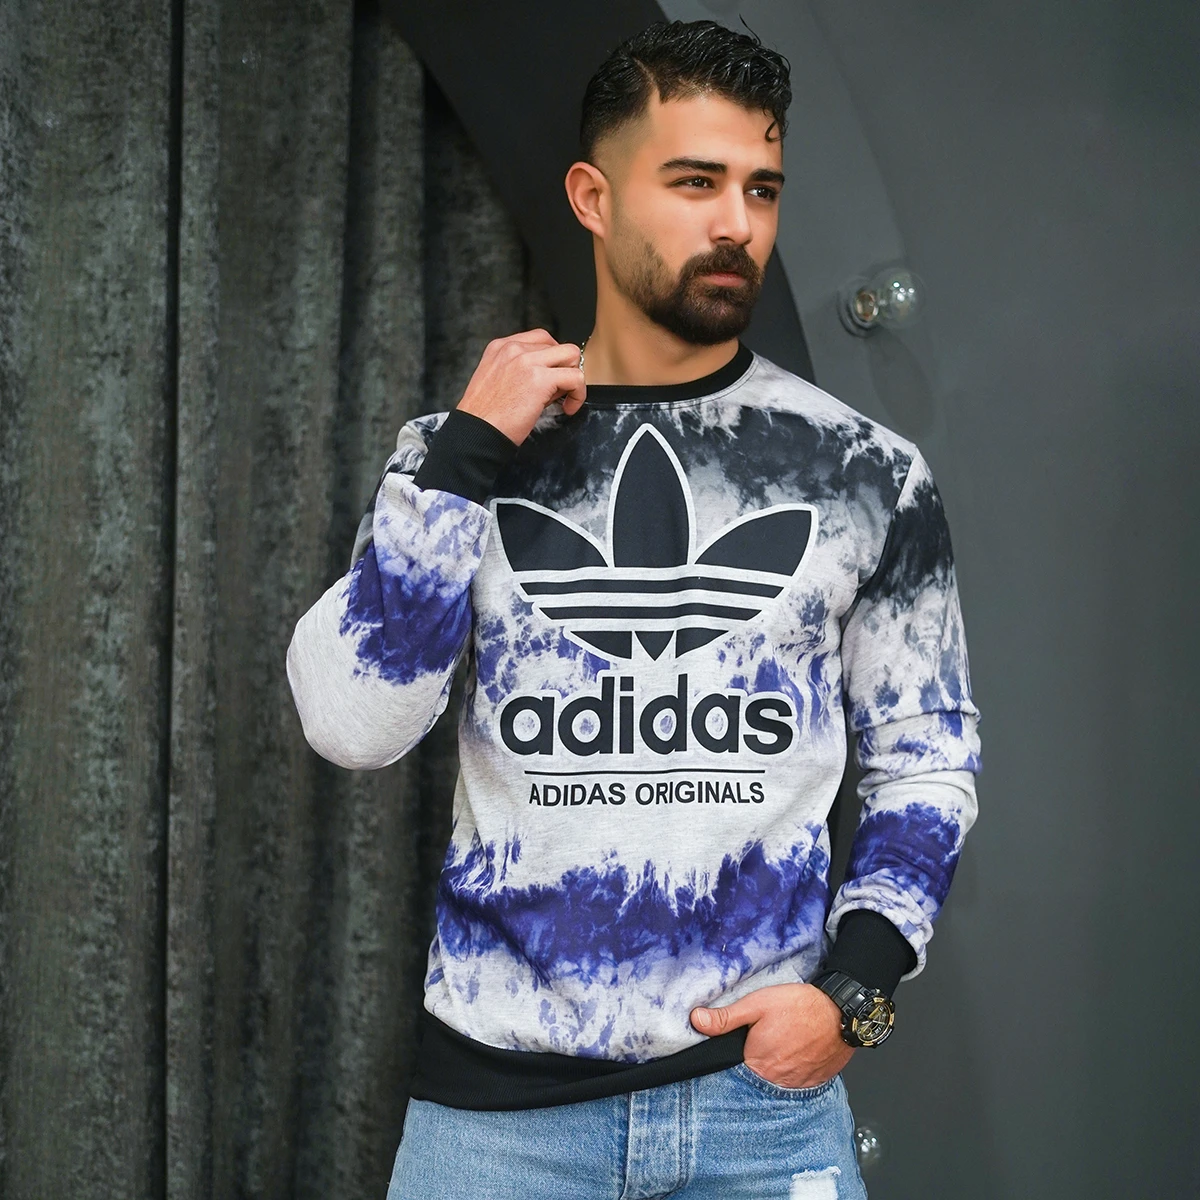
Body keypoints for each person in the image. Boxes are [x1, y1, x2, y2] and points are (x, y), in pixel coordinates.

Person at [287, 19, 981, 1200]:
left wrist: (854, 999)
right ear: (592, 198)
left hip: (761, 1117)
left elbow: (929, 759)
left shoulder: (864, 473)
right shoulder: (462, 455)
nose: (736, 223)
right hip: (498, 1130)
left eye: (761, 188)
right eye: (695, 182)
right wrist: (463, 459)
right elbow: (355, 724)